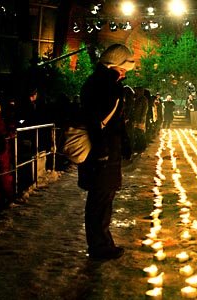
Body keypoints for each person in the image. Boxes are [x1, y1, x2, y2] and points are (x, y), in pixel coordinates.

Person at [78, 43, 135, 260]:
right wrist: (102, 150)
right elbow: (96, 120)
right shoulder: (103, 86)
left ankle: (102, 243)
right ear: (113, 66)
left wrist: (125, 141)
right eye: (122, 70)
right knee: (100, 199)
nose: (123, 75)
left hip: (107, 149)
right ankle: (99, 247)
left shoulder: (103, 83)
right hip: (101, 152)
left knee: (103, 198)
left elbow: (115, 121)